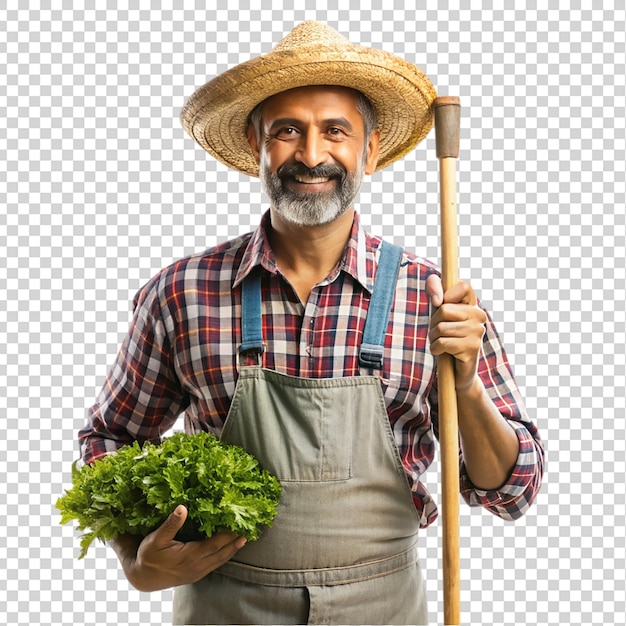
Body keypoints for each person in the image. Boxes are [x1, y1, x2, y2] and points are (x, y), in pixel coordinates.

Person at [78, 21, 544, 625]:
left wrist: (467, 387)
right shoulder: (183, 292)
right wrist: (135, 557)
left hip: (383, 607)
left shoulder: (432, 297)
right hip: (226, 606)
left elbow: (510, 491)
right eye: (287, 131)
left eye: (335, 131)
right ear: (257, 149)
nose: (311, 154)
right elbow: (109, 443)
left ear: (370, 151)